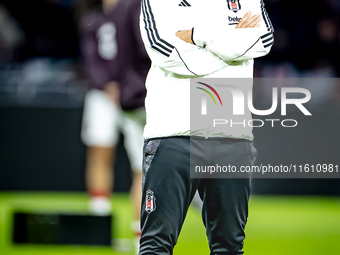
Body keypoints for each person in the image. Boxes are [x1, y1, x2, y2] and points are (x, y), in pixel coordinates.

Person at [138, 0, 273, 254]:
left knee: (230, 247)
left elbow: (262, 41)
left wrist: (197, 36)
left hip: (232, 134)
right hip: (174, 131)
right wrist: (232, 46)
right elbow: (166, 52)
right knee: (156, 245)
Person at [77, 0, 150, 249]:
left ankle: (141, 238)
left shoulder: (139, 11)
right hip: (102, 95)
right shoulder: (94, 18)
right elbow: (90, 58)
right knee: (100, 152)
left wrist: (129, 87)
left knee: (142, 166)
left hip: (134, 97)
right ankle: (99, 226)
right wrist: (108, 84)